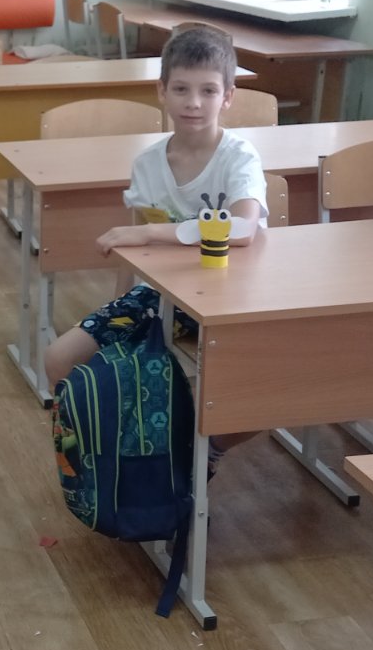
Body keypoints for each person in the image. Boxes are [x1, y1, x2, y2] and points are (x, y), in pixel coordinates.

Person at [41, 24, 265, 473]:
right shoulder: (148, 163)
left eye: (207, 90)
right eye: (181, 89)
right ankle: (100, 463)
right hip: (163, 296)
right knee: (59, 359)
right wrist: (118, 304)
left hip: (235, 300)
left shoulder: (238, 157)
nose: (193, 102)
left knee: (268, 392)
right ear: (162, 91)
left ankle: (205, 458)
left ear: (227, 97)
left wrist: (154, 234)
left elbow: (242, 228)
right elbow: (133, 249)